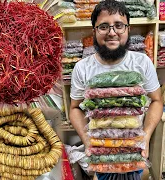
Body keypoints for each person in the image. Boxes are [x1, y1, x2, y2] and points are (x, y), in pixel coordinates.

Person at [69, 0, 163, 179]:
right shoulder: (82, 68)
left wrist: (146, 135)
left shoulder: (141, 63)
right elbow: (74, 108)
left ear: (128, 29)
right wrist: (87, 140)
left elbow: (157, 100)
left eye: (119, 25)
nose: (112, 32)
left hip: (133, 145)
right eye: (103, 26)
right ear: (94, 31)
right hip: (100, 148)